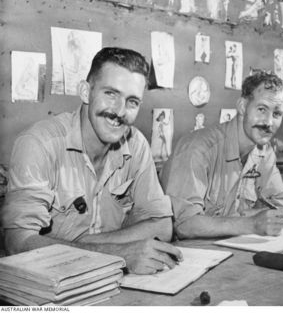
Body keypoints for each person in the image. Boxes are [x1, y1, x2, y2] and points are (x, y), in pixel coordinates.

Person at [1, 47, 182, 274]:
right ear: (86, 92)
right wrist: (119, 253)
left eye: (132, 101)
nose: (120, 111)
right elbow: (16, 243)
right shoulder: (39, 143)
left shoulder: (136, 145)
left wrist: (86, 245)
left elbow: (163, 225)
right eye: (111, 94)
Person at [161, 71, 283, 239]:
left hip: (234, 248)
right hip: (188, 254)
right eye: (261, 109)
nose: (268, 122)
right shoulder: (198, 149)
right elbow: (184, 225)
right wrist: (251, 222)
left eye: (276, 114)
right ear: (243, 107)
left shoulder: (264, 152)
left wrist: (247, 218)